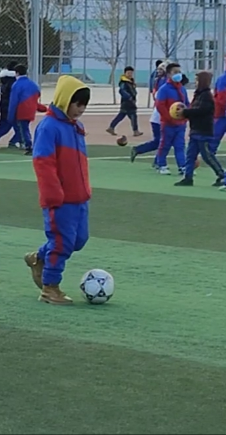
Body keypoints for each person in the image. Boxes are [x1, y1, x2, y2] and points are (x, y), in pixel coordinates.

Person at [23, 76, 91, 306]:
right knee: (62, 242)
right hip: (60, 199)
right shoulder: (49, 127)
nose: (80, 110)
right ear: (65, 100)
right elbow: (43, 163)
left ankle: (39, 257)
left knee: (78, 240)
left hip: (79, 197)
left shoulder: (77, 127)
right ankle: (50, 287)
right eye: (77, 104)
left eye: (83, 105)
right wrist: (53, 194)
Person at [175, 70, 225, 187]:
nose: (195, 82)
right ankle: (188, 178)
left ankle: (221, 175)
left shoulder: (207, 96)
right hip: (195, 130)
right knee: (190, 155)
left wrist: (185, 112)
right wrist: (186, 112)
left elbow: (201, 111)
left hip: (203, 130)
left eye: (197, 80)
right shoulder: (198, 95)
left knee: (207, 155)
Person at [106, 66, 141, 137]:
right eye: (128, 73)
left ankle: (111, 127)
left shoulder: (130, 81)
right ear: (125, 73)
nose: (130, 74)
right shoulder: (124, 82)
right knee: (133, 116)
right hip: (127, 102)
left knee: (122, 116)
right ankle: (135, 131)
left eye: (131, 73)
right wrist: (129, 97)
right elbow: (121, 90)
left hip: (130, 102)